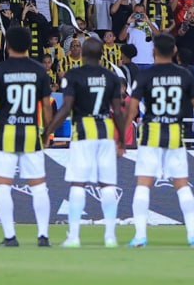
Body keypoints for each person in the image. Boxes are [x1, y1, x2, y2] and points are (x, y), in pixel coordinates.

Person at [125, 33, 194, 247]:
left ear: (154, 51)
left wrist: (122, 131)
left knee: (144, 185)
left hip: (151, 135)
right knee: (182, 186)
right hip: (175, 134)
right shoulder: (185, 75)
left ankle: (140, 236)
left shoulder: (145, 76)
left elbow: (133, 107)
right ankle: (193, 235)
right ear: (174, 51)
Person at [43, 37, 130, 248]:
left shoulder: (74, 75)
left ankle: (74, 236)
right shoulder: (111, 77)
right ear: (102, 55)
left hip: (82, 133)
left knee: (78, 184)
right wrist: (122, 140)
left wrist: (48, 131)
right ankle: (110, 236)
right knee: (107, 185)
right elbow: (117, 111)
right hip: (105, 133)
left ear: (82, 54)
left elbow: (65, 109)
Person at [0, 26, 56, 248]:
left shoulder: (0, 70)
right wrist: (48, 132)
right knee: (39, 186)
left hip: (7, 131)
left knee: (3, 185)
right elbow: (46, 106)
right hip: (31, 130)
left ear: (8, 45)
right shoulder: (40, 71)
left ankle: (10, 237)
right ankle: (43, 236)